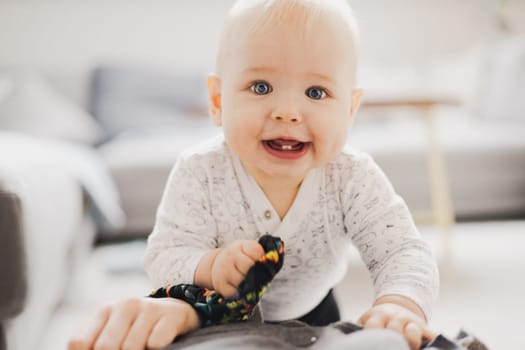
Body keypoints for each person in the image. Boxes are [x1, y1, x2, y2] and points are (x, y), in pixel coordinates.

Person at [69, 0, 439, 349]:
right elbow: (165, 255)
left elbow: (402, 251)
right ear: (218, 101)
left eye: (316, 91)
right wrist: (208, 266)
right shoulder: (201, 170)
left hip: (316, 310)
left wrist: (400, 304)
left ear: (349, 110)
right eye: (261, 87)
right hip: (217, 314)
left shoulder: (352, 176)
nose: (288, 112)